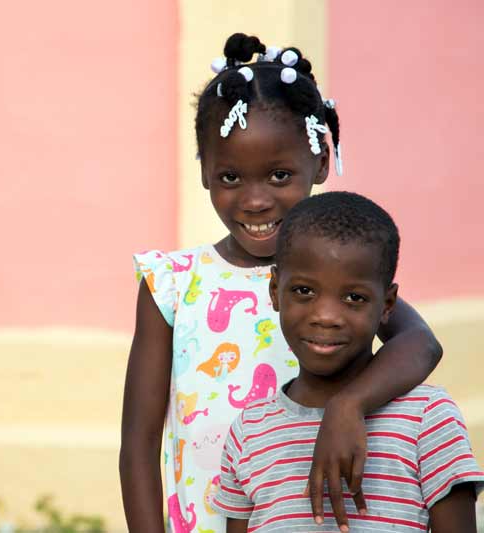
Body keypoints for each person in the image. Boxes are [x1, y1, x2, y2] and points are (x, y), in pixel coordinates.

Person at [119, 33, 443, 533]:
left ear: (318, 163)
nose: (254, 201)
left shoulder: (337, 274)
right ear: (204, 169)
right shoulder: (170, 284)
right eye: (230, 178)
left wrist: (348, 405)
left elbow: (421, 344)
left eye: (278, 175)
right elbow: (139, 445)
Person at [211, 191, 484, 532]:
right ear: (274, 290)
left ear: (387, 305)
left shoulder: (428, 418)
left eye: (354, 298)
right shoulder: (249, 432)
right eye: (304, 291)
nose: (326, 316)